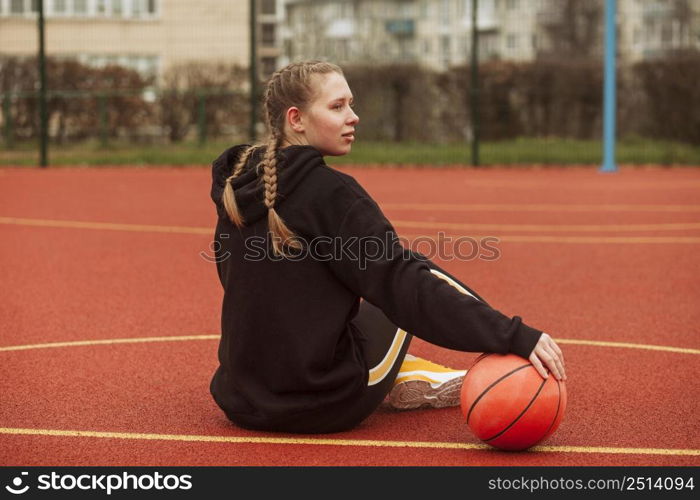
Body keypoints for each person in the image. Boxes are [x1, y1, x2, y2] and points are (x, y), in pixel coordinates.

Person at [209, 60, 565, 434]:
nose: (354, 116)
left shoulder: (236, 186)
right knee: (410, 271)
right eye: (337, 106)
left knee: (374, 275)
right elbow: (406, 286)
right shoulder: (333, 194)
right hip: (321, 401)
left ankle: (404, 369)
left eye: (351, 103)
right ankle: (402, 370)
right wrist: (511, 334)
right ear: (296, 119)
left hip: (241, 400)